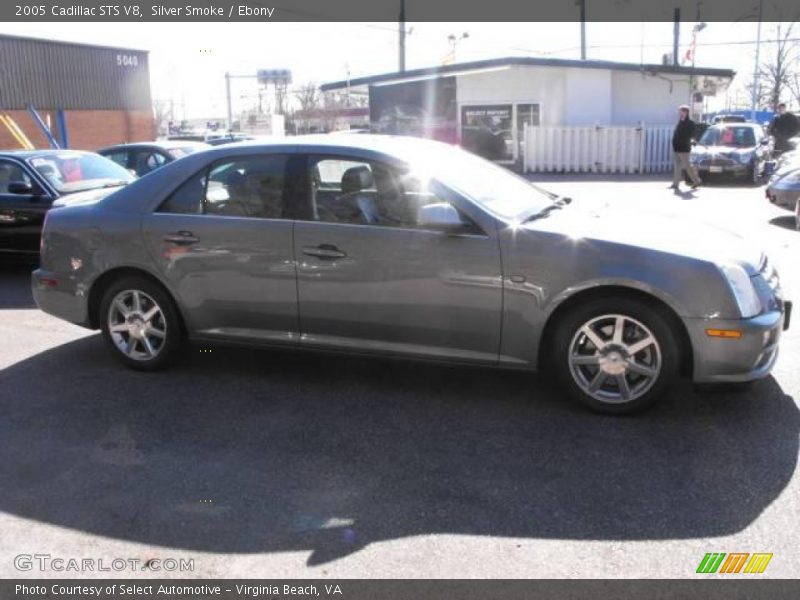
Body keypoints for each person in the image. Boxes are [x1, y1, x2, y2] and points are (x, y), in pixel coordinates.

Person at [671, 105, 702, 190]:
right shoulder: (680, 121)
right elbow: (677, 133)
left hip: (684, 148)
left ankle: (696, 181)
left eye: (680, 111)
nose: (679, 113)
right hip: (677, 147)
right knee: (677, 166)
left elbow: (692, 134)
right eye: (679, 111)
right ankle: (675, 184)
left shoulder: (690, 123)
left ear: (685, 112)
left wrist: (691, 139)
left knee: (687, 166)